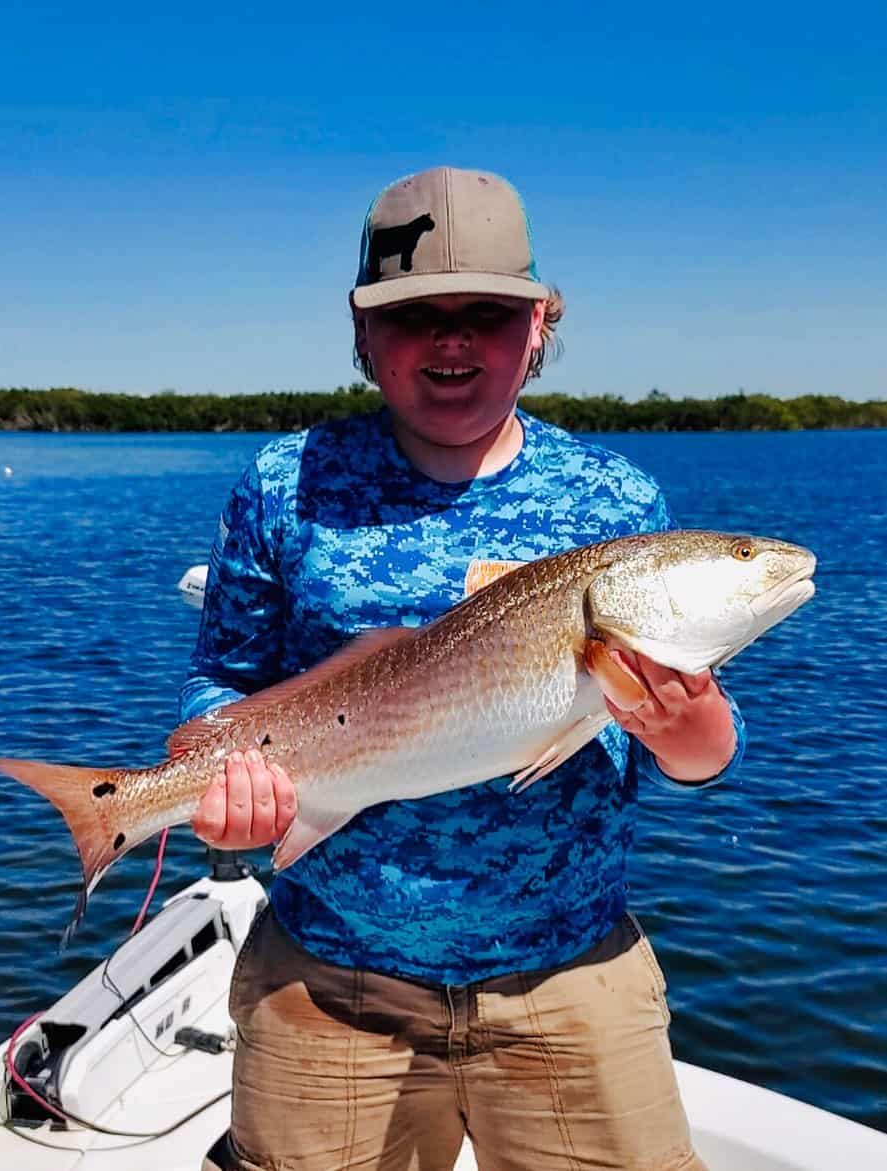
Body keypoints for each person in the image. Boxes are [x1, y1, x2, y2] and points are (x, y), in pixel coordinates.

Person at [182, 165, 744, 1171]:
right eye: (413, 316)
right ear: (361, 334)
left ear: (538, 327)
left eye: (485, 312)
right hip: (327, 981)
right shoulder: (287, 482)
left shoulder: (613, 499)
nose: (451, 339)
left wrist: (681, 728)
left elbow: (699, 756)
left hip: (569, 977)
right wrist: (223, 785)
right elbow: (223, 679)